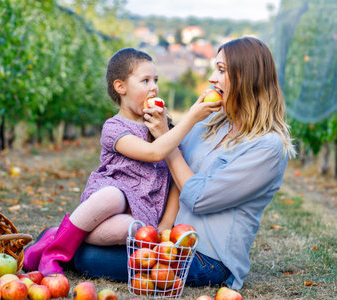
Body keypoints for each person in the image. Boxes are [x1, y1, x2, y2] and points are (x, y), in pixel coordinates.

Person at [65, 37, 296, 290]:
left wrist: (165, 138)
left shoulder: (267, 147)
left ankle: (56, 240)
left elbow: (198, 197)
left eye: (220, 70)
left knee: (87, 256)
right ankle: (59, 239)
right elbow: (170, 169)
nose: (211, 78)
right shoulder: (210, 124)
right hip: (165, 239)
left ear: (245, 77)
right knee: (89, 240)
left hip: (206, 257)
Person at [23, 48, 221, 276]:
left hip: (141, 213)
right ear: (121, 87)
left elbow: (176, 178)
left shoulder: (163, 126)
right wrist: (192, 118)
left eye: (155, 80)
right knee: (113, 196)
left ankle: (56, 234)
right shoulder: (114, 128)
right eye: (145, 80)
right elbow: (154, 153)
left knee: (132, 231)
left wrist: (165, 224)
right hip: (110, 198)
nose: (153, 87)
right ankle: (55, 252)